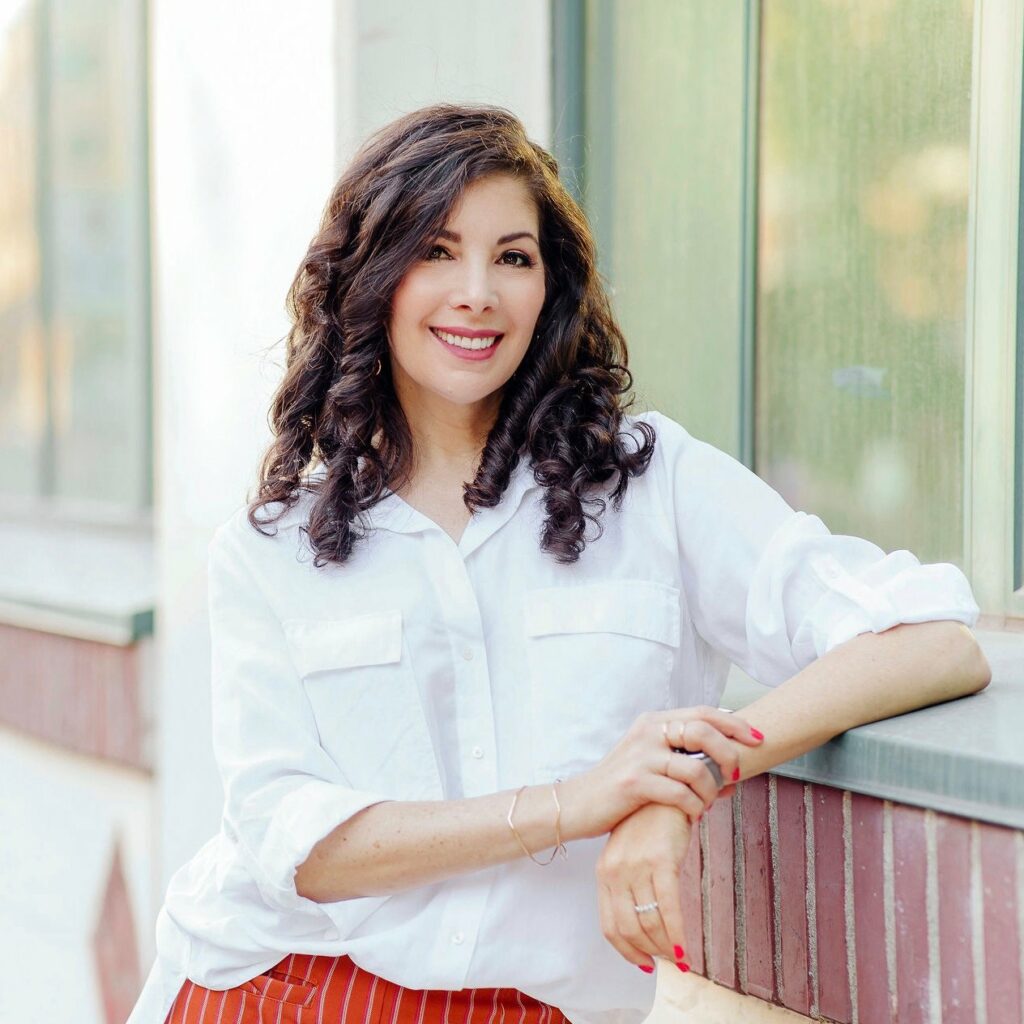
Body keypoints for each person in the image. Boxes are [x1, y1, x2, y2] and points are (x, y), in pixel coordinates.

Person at [127, 103, 989, 1024]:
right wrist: (580, 803)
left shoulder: (653, 485)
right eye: (435, 251)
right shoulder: (273, 551)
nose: (477, 293)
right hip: (281, 988)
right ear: (372, 279)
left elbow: (933, 642)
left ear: (551, 287)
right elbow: (298, 847)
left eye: (513, 256)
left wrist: (690, 780)